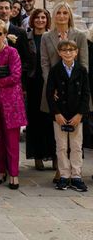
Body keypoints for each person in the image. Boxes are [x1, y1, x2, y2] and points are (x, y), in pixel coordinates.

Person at [0, 19, 26, 189]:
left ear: (4, 34)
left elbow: (16, 76)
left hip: (11, 101)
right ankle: (0, 171)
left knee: (11, 139)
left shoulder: (12, 52)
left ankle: (14, 174)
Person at [47, 40, 90, 192]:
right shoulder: (55, 70)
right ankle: (64, 176)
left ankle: (76, 176)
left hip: (77, 115)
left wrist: (80, 114)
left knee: (77, 146)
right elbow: (50, 94)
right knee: (62, 146)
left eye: (71, 50)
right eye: (64, 50)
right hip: (60, 114)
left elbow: (86, 94)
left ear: (76, 52)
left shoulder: (82, 70)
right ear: (59, 53)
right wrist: (56, 113)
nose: (68, 52)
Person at [25, 8, 55, 171]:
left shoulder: (52, 36)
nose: (40, 20)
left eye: (43, 17)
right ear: (32, 20)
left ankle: (54, 155)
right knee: (34, 120)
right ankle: (37, 156)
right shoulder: (26, 36)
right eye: (37, 17)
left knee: (51, 119)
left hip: (49, 81)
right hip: (33, 82)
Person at [0, 0, 32, 95]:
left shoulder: (20, 32)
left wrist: (15, 74)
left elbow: (27, 60)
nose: (4, 11)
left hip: (15, 84)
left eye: (7, 8)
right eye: (1, 8)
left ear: (11, 11)